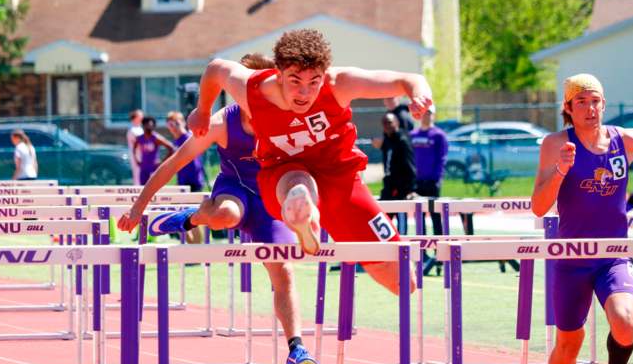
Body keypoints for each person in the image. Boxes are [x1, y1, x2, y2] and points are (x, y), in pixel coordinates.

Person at [188, 29, 432, 295]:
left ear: (323, 76)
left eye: (313, 82)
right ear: (278, 73)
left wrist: (419, 94)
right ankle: (305, 215)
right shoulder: (252, 89)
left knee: (402, 281)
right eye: (295, 81)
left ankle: (307, 217)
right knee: (298, 181)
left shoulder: (338, 83)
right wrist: (202, 111)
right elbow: (216, 69)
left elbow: (408, 79)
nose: (304, 92)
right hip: (281, 175)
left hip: (340, 179)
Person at [118, 53, 316, 364]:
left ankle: (297, 348)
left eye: (266, 89)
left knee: (283, 270)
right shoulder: (223, 121)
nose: (261, 97)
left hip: (270, 198)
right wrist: (139, 207)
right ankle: (193, 217)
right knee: (226, 216)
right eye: (251, 89)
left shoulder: (288, 116)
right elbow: (174, 163)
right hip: (234, 191)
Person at [531, 73, 633, 364]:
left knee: (626, 322)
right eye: (582, 101)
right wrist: (560, 171)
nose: (591, 108)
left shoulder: (623, 139)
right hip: (571, 257)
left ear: (604, 104)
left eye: (596, 100)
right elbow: (538, 207)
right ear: (568, 108)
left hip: (613, 253)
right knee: (570, 341)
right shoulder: (556, 144)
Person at [410, 106, 448, 272]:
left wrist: (437, 180)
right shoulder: (413, 135)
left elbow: (442, 159)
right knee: (420, 218)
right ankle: (422, 254)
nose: (426, 116)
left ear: (433, 115)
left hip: (431, 182)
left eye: (429, 113)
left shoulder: (438, 135)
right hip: (416, 182)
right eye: (424, 113)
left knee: (435, 217)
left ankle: (440, 254)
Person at [165, 111, 206, 191]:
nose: (174, 127)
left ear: (183, 123)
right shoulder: (176, 141)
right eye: (171, 125)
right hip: (183, 181)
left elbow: (195, 162)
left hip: (193, 181)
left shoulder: (189, 137)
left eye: (177, 123)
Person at [133, 116, 175, 185]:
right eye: (147, 125)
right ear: (143, 126)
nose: (149, 127)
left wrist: (162, 162)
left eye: (151, 125)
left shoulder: (156, 138)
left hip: (154, 167)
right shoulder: (139, 138)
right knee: (142, 188)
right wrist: (136, 160)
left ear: (153, 126)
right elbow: (134, 148)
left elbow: (171, 148)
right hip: (144, 168)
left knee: (153, 187)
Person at [126, 109, 144, 185]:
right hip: (136, 156)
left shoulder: (141, 128)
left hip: (143, 156)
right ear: (135, 117)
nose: (142, 117)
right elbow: (141, 141)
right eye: (140, 116)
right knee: (137, 175)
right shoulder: (132, 129)